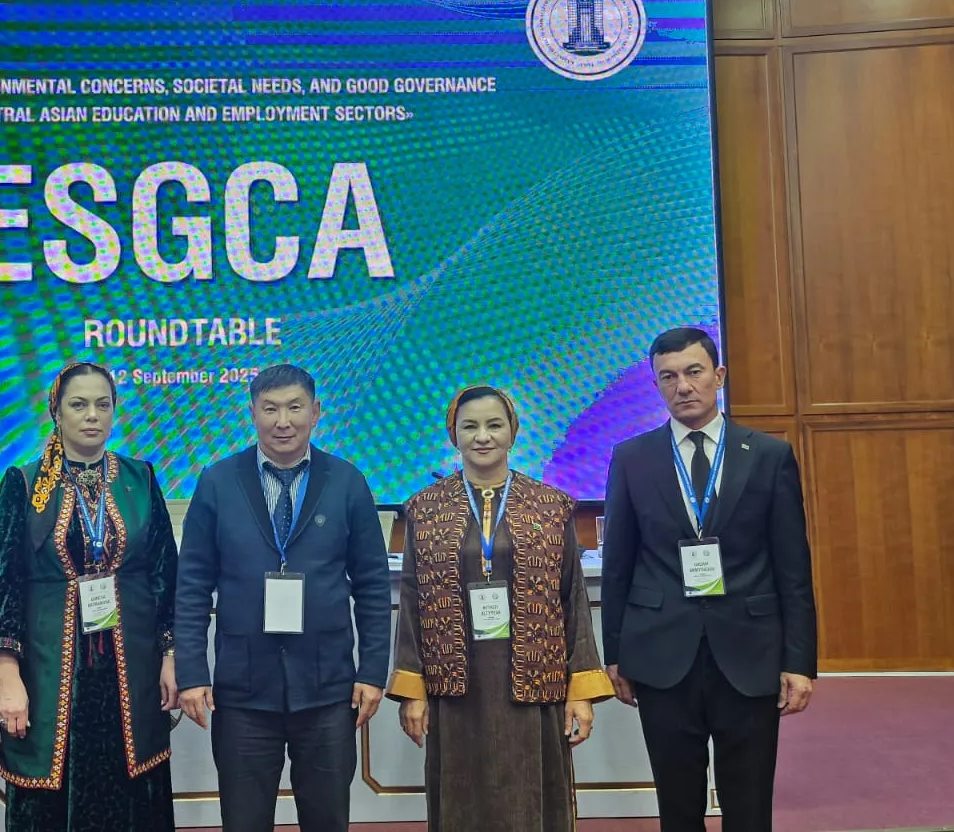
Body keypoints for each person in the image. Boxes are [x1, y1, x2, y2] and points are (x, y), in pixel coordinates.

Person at [601, 327, 817, 832]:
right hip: (661, 654)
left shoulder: (768, 456)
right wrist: (616, 653)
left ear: (718, 376)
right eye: (668, 377)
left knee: (749, 804)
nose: (683, 386)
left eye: (694, 372)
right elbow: (618, 566)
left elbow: (793, 568)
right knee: (678, 806)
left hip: (750, 651)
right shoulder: (632, 459)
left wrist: (799, 661)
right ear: (657, 385)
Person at [175, 364, 391, 832]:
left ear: (316, 412)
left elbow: (373, 584)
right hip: (243, 691)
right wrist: (192, 674)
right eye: (270, 409)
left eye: (295, 408)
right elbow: (191, 584)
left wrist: (372, 672)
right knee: (245, 821)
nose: (283, 422)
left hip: (328, 689)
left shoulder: (347, 481)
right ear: (252, 413)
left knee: (327, 819)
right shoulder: (218, 481)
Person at [388, 385, 613, 831]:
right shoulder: (426, 509)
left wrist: (581, 691)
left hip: (535, 684)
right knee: (462, 803)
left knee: (532, 801)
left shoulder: (549, 507)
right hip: (456, 687)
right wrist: (412, 690)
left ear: (513, 431)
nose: (482, 436)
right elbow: (412, 601)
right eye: (469, 426)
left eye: (494, 425)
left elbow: (572, 598)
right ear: (453, 435)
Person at [0, 362, 180, 831]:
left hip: (129, 676)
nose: (92, 415)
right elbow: (1, 586)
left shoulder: (140, 478)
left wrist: (171, 654)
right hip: (49, 676)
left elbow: (163, 575)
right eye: (79, 404)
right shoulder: (24, 483)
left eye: (102, 404)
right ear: (57, 412)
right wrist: (7, 676)